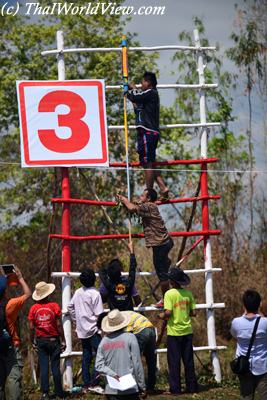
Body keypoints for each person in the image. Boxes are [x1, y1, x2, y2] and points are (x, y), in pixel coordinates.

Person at [117, 189, 174, 306]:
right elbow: (136, 205)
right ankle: (166, 262)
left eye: (142, 195)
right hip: (164, 242)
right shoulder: (149, 206)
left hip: (160, 244)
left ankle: (166, 300)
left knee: (162, 274)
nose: (140, 196)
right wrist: (129, 202)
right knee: (162, 267)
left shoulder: (148, 206)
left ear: (148, 199)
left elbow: (132, 208)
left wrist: (124, 200)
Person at [127, 71, 169, 200]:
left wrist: (132, 90)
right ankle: (163, 188)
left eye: (143, 82)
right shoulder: (147, 98)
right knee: (149, 162)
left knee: (147, 163)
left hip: (147, 131)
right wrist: (129, 94)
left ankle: (148, 194)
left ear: (148, 82)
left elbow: (136, 97)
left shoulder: (150, 93)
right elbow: (137, 106)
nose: (141, 84)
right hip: (147, 132)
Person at [159, 268, 198, 395]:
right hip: (187, 331)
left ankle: (175, 389)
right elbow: (193, 313)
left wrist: (161, 315)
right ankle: (191, 387)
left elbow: (168, 313)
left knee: (174, 362)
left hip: (174, 333)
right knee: (188, 361)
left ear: (172, 281)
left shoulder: (169, 294)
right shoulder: (188, 294)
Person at [95, 309, 146, 400]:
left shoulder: (104, 342)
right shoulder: (130, 338)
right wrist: (142, 386)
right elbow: (137, 364)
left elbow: (99, 366)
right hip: (130, 388)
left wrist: (112, 374)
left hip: (111, 389)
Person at [67, 268, 104, 394]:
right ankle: (95, 381)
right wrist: (100, 328)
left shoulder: (78, 292)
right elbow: (99, 314)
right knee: (101, 354)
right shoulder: (95, 293)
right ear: (94, 279)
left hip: (81, 330)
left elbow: (70, 306)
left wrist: (75, 319)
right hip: (93, 329)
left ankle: (86, 383)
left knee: (86, 355)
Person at [28, 281, 66, 400]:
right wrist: (63, 339)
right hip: (54, 340)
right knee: (55, 366)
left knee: (44, 366)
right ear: (48, 293)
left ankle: (45, 393)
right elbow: (59, 325)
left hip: (41, 340)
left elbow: (31, 327)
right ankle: (59, 392)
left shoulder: (33, 308)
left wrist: (31, 340)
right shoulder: (54, 306)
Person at [0, 266, 31, 400]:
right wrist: (19, 277)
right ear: (4, 289)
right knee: (13, 377)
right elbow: (28, 294)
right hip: (11, 345)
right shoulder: (10, 305)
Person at [230, 289, 267, 400]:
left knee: (246, 396)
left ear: (244, 305)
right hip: (263, 365)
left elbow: (234, 335)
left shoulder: (236, 322)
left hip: (244, 366)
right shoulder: (265, 322)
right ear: (260, 304)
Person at [99, 242, 138, 311]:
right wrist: (132, 251)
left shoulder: (108, 285)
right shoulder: (129, 283)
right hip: (128, 316)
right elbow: (132, 268)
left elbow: (102, 272)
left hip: (116, 317)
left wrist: (109, 269)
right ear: (120, 272)